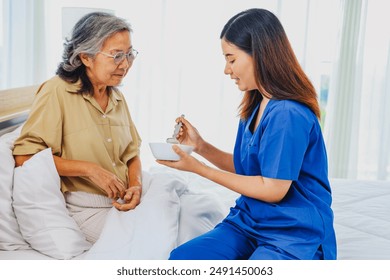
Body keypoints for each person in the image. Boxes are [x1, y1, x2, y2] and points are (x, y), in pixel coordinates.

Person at [158, 8, 337, 260]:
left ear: (260, 55)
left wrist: (199, 168)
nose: (226, 69)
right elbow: (251, 169)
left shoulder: (288, 113)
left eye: (231, 59)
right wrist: (200, 146)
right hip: (249, 223)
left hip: (293, 232)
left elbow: (273, 189)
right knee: (183, 260)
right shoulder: (254, 103)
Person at [13, 12, 142, 244]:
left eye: (130, 54)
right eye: (117, 56)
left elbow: (132, 154)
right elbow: (25, 157)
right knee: (148, 241)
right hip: (87, 208)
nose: (125, 64)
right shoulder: (57, 91)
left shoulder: (117, 96)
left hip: (127, 201)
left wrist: (136, 185)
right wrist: (90, 170)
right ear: (86, 57)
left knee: (187, 217)